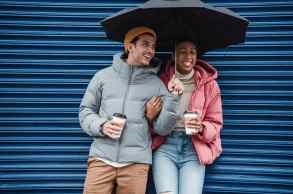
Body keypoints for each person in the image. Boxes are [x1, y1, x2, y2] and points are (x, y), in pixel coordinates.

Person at [79, 26, 183, 194]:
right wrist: (101, 126)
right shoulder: (102, 77)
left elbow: (163, 129)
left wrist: (174, 98)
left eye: (153, 46)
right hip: (101, 159)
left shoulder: (156, 84)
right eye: (145, 44)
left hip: (136, 165)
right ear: (130, 46)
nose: (151, 50)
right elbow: (85, 111)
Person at [146, 40, 223, 194]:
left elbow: (216, 122)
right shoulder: (160, 82)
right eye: (182, 51)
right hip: (165, 147)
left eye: (192, 52)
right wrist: (151, 116)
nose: (188, 56)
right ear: (173, 56)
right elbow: (154, 123)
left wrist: (201, 127)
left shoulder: (209, 85)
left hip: (194, 149)